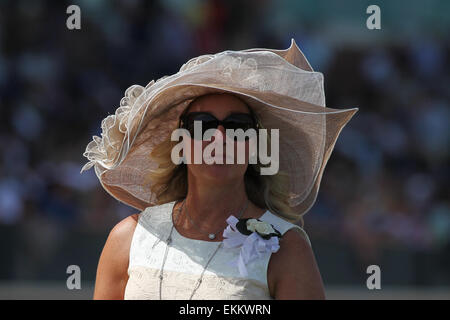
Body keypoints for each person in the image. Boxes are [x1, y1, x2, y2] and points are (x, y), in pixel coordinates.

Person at [80, 39, 358, 299]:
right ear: (181, 142)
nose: (220, 138)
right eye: (203, 124)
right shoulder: (128, 238)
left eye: (238, 127)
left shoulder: (286, 247)